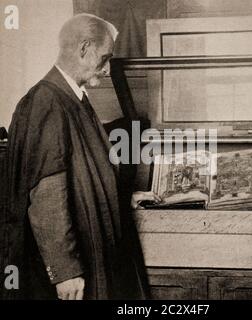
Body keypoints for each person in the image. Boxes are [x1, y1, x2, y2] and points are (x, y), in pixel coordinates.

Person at [4, 13, 160, 300]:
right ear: (84, 48)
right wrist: (65, 271)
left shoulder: (72, 97)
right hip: (71, 269)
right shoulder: (46, 102)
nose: (108, 68)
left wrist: (120, 196)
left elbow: (85, 172)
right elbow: (46, 196)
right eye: (105, 57)